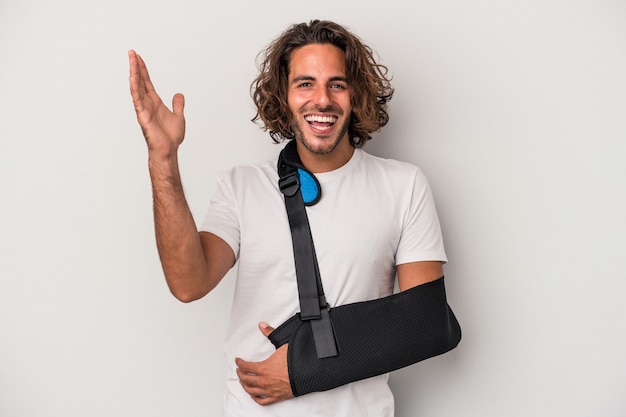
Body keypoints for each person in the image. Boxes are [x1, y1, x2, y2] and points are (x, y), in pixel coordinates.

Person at [129, 20, 455, 417]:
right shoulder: (240, 186)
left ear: (356, 94)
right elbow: (187, 284)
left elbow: (425, 322)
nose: (322, 99)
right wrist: (163, 158)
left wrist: (306, 366)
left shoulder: (403, 185)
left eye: (337, 83)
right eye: (305, 84)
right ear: (283, 97)